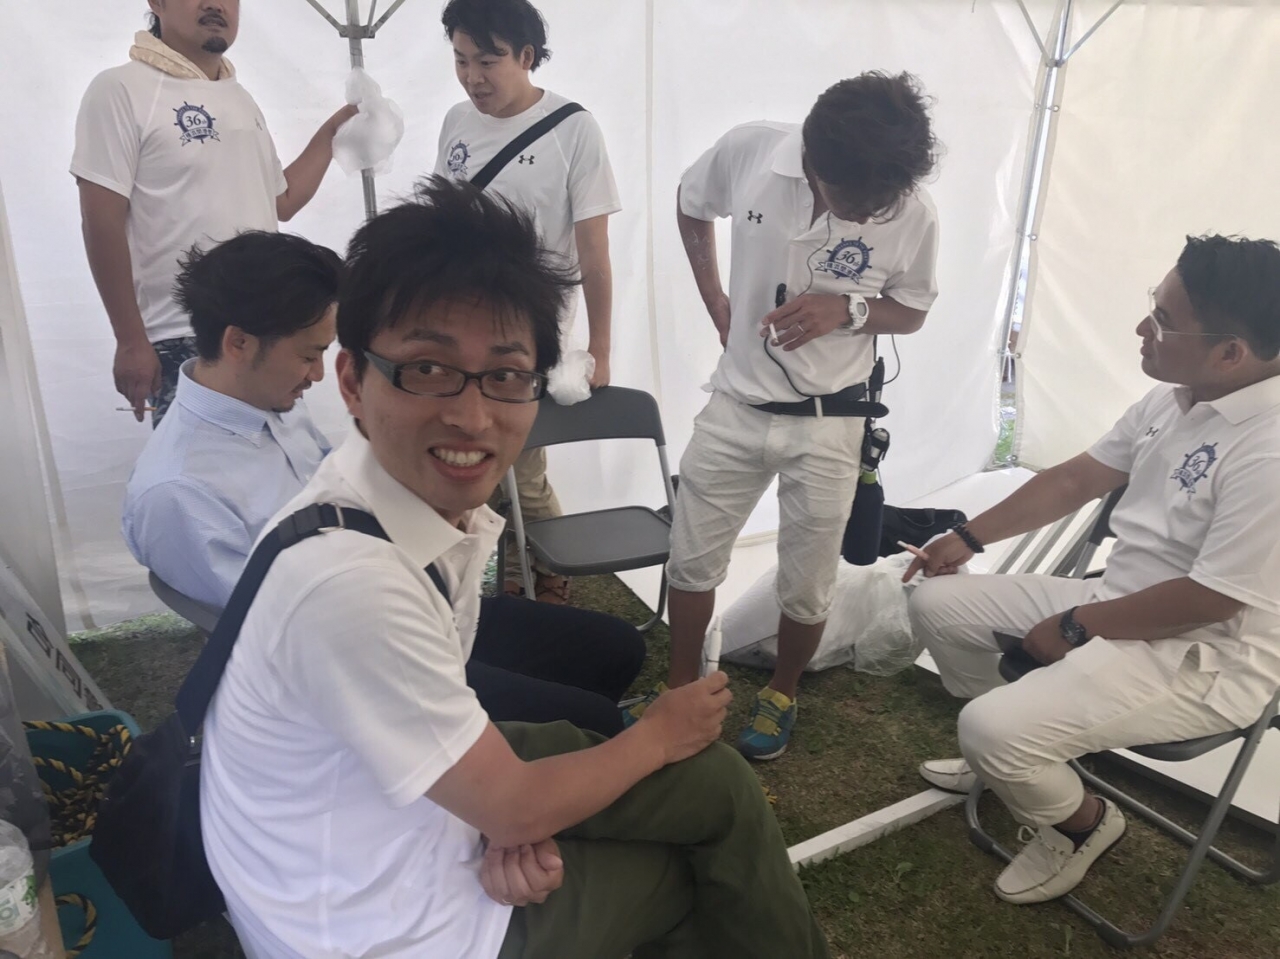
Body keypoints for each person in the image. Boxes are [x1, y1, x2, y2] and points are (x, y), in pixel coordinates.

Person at [199, 177, 830, 959]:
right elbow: (510, 803)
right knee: (687, 873)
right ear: (353, 381)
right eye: (426, 368)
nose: (472, 417)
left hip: (391, 815)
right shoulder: (351, 582)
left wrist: (503, 818)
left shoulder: (383, 499)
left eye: (505, 375)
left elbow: (494, 794)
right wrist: (626, 751)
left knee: (717, 784)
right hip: (375, 926)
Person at [123, 229, 643, 736]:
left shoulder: (269, 403)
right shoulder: (176, 493)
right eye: (308, 355)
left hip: (412, 595)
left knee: (617, 648)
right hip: (365, 662)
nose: (318, 375)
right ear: (238, 343)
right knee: (589, 718)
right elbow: (301, 630)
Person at [908, 234, 1280, 905]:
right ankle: (1014, 752)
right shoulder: (1178, 396)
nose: (1141, 328)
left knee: (988, 729)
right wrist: (967, 534)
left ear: (1231, 353)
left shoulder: (1269, 450)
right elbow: (1076, 478)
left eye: (1163, 320)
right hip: (1118, 598)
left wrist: (1077, 624)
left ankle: (1080, 824)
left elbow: (1210, 600)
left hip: (1206, 656)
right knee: (936, 607)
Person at [634, 72, 942, 760]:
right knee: (691, 560)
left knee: (808, 582)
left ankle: (781, 693)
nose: (864, 215)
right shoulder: (751, 152)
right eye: (852, 201)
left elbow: (914, 310)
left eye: (877, 205)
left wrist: (848, 309)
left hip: (832, 421)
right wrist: (715, 298)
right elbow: (690, 202)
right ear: (813, 160)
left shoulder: (910, 207)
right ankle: (679, 688)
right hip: (736, 405)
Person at [72, 0, 355, 425]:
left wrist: (333, 132)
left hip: (269, 331)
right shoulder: (121, 89)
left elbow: (282, 200)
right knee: (202, 463)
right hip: (185, 336)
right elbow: (101, 221)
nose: (215, 5)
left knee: (277, 462)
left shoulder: (241, 98)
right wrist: (130, 339)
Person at [436, 0, 621, 602]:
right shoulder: (456, 122)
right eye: (461, 60)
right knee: (471, 459)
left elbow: (594, 254)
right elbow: (443, 224)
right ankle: (515, 577)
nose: (472, 77)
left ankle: (539, 579)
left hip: (527, 335)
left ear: (526, 56)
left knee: (519, 465)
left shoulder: (574, 129)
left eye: (487, 61)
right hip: (456, 330)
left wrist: (599, 348)